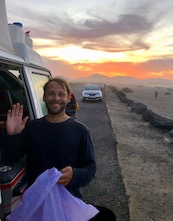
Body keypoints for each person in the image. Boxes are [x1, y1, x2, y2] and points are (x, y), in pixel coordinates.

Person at [2, 77, 114, 220]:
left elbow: (90, 168)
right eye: (51, 93)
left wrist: (75, 174)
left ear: (68, 98)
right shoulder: (32, 127)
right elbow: (9, 157)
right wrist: (10, 134)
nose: (56, 98)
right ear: (44, 97)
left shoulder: (80, 131)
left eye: (61, 94)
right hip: (35, 205)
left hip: (69, 204)